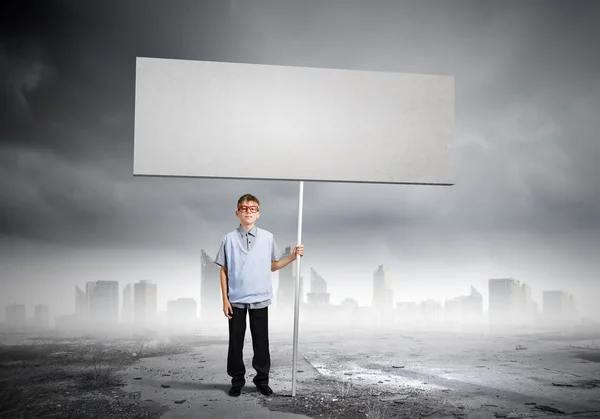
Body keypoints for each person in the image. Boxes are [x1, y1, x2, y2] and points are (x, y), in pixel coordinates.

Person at [214, 193, 304, 397]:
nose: (248, 211)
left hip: (260, 298)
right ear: (237, 212)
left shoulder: (267, 237)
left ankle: (262, 380)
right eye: (244, 208)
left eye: (252, 208)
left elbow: (273, 266)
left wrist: (292, 257)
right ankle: (237, 381)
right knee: (235, 342)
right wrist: (225, 299)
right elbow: (224, 270)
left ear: (258, 213)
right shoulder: (228, 239)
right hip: (236, 300)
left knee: (261, 342)